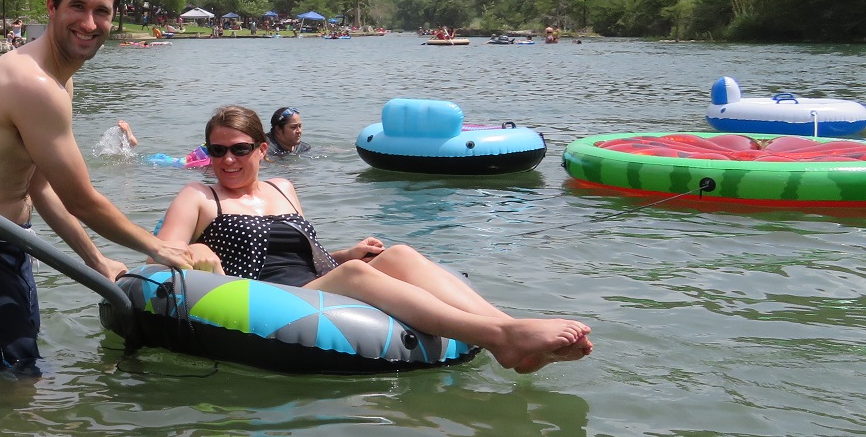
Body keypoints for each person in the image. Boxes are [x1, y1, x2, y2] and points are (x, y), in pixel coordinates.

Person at [156, 106, 592, 374]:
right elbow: (160, 259)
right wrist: (197, 250)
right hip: (265, 294)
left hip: (313, 283)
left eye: (239, 149)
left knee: (399, 254)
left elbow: (299, 254)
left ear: (261, 150)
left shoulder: (282, 187)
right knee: (355, 274)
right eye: (217, 151)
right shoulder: (199, 196)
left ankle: (510, 329)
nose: (227, 160)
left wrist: (344, 253)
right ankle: (502, 337)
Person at [0, 0, 193, 373]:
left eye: (101, 11)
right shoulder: (34, 84)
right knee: (5, 383)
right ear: (51, 7)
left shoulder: (57, 82)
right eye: (77, 6)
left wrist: (96, 259)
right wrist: (156, 246)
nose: (89, 23)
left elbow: (38, 186)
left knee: (10, 376)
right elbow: (81, 199)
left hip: (6, 243)